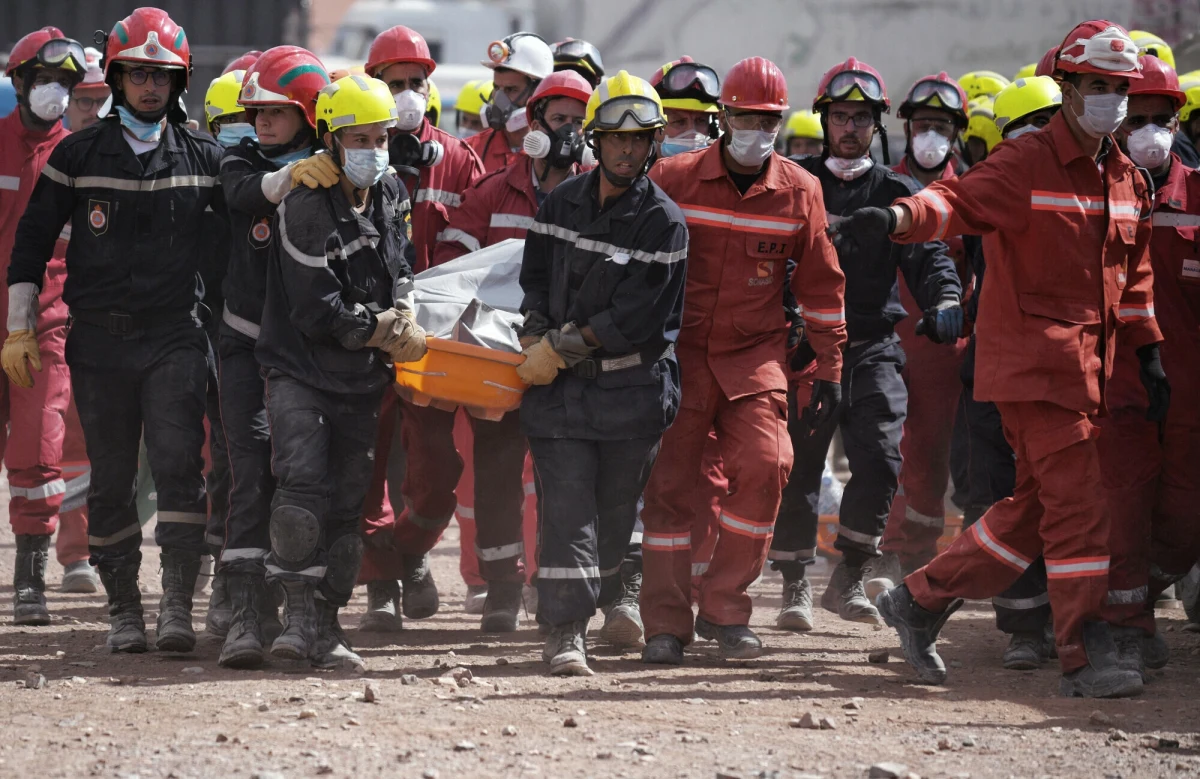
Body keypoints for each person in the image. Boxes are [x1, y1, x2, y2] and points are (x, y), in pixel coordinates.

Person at [840, 20, 1164, 699]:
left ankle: (919, 600)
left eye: (1118, 88)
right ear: (1068, 89)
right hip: (1034, 368)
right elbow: (954, 201)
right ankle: (1086, 648)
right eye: (1097, 86)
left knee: (1033, 508)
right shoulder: (1026, 162)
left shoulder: (1126, 176)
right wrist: (897, 219)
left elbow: (1132, 278)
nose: (1109, 99)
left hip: (1091, 373)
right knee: (1078, 504)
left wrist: (1149, 349)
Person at [6, 7, 224, 654]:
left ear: (178, 83)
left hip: (176, 337)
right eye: (137, 75)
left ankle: (177, 605)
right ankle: (124, 610)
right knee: (108, 478)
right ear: (119, 77)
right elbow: (30, 244)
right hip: (98, 341)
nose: (150, 87)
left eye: (162, 76)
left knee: (181, 469)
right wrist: (20, 324)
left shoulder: (205, 156)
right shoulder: (76, 154)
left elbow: (239, 240)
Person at [641, 56, 848, 663]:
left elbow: (821, 286)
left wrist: (830, 370)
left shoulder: (799, 190)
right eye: (744, 117)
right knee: (668, 489)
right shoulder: (672, 177)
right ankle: (665, 625)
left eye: (767, 119)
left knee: (768, 465)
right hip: (679, 356)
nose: (755, 129)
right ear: (722, 117)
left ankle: (727, 609)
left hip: (754, 355)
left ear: (781, 121)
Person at [391, 70, 593, 635]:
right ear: (535, 123)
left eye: (579, 122)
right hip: (488, 357)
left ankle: (531, 589)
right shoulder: (492, 192)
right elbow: (457, 273)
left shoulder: (595, 194)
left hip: (562, 357)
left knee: (542, 474)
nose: (570, 133)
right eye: (559, 121)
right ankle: (457, 569)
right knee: (467, 470)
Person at [769, 58, 961, 632]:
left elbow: (931, 260)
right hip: (805, 347)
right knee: (800, 468)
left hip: (874, 343)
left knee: (881, 459)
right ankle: (794, 584)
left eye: (861, 118)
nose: (850, 128)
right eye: (841, 116)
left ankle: (849, 574)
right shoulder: (792, 182)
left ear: (877, 126)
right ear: (824, 120)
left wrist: (946, 303)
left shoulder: (897, 191)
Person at [517, 70, 688, 675]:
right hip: (562, 396)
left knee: (614, 520)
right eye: (614, 137)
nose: (625, 149)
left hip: (629, 395)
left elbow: (637, 316)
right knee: (567, 512)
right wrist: (533, 330)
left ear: (653, 145)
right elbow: (534, 276)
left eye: (638, 140)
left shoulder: (663, 223)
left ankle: (616, 593)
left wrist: (559, 345)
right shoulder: (560, 203)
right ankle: (565, 631)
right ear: (595, 140)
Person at [255, 73, 422, 669]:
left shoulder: (392, 190)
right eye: (359, 137)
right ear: (329, 137)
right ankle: (295, 620)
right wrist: (384, 331)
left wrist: (406, 310)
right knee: (302, 493)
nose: (372, 148)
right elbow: (314, 308)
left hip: (360, 378)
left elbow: (403, 262)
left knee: (349, 508)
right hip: (300, 369)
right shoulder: (304, 202)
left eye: (380, 136)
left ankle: (328, 624)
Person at [355, 25, 485, 630]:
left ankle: (406, 552)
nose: (407, 94)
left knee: (438, 474)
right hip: (363, 336)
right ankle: (381, 587)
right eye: (393, 83)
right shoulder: (350, 151)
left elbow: (479, 255)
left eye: (416, 83)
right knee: (366, 469)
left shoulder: (459, 160)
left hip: (433, 345)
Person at [212, 45, 335, 668]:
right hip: (241, 345)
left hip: (307, 357)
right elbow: (244, 194)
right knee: (248, 473)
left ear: (310, 115)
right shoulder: (237, 160)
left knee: (302, 482)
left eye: (276, 112)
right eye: (256, 109)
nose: (260, 121)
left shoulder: (339, 175)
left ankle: (303, 612)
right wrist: (291, 176)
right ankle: (243, 613)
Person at [941, 74, 1064, 672]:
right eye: (1026, 130)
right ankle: (1022, 624)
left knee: (1064, 501)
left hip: (1067, 376)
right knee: (994, 498)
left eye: (1048, 126)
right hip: (994, 373)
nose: (1039, 141)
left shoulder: (1088, 199)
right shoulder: (992, 193)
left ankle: (1078, 624)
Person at [1101, 53, 1198, 678]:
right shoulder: (1095, 193)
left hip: (1189, 392)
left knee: (1186, 517)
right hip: (1118, 384)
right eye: (1137, 118)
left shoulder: (1199, 197)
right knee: (1124, 508)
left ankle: (1152, 588)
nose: (1150, 131)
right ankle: (1127, 627)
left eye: (1161, 118)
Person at [870, 73, 971, 584]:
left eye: (941, 125)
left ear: (957, 132)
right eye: (922, 124)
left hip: (942, 344)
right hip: (886, 334)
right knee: (884, 445)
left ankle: (916, 554)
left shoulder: (974, 192)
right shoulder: (885, 185)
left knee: (929, 452)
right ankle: (880, 549)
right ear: (906, 128)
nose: (930, 134)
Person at [0, 27, 85, 625]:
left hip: (46, 326)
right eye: (45, 79)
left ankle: (29, 580)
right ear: (20, 83)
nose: (54, 91)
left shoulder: (80, 158)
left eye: (65, 82)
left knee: (38, 451)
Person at [468, 32, 554, 172]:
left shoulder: (553, 154)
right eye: (496, 87)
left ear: (538, 92)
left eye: (511, 89)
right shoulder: (470, 151)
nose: (499, 98)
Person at [650, 57, 720, 158]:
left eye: (701, 121)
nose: (692, 134)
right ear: (654, 127)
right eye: (679, 122)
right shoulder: (630, 171)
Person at [64, 47, 110, 132]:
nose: (96, 113)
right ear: (66, 106)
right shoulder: (57, 145)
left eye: (104, 102)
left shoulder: (130, 144)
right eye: (85, 101)